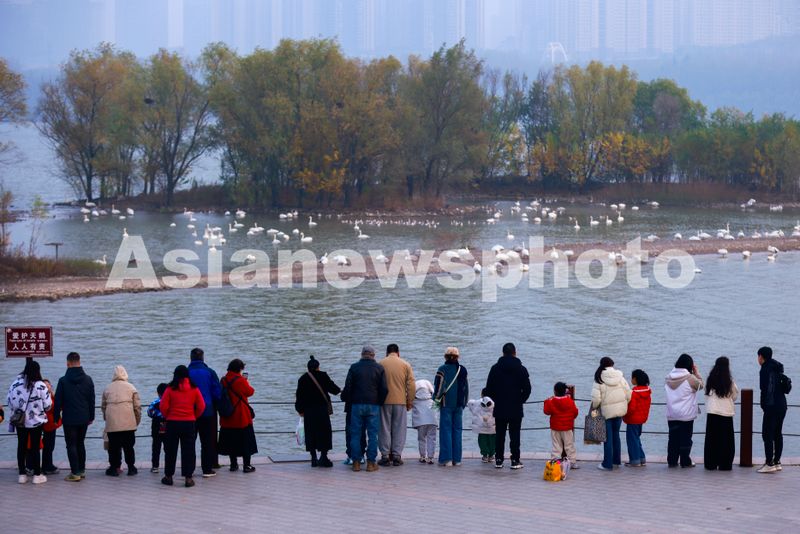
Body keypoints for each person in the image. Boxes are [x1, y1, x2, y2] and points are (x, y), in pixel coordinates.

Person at [341, 345, 388, 472]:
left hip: (356, 405)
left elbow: (348, 387)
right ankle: (371, 463)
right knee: (373, 435)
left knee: (355, 434)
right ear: (373, 355)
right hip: (373, 405)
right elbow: (384, 389)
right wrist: (379, 402)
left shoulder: (354, 367)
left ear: (362, 355)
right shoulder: (379, 368)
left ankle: (356, 463)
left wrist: (345, 398)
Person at [485, 343, 531, 469]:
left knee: (500, 435)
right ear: (515, 352)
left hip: (500, 407)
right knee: (515, 435)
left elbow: (489, 389)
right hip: (516, 407)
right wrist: (521, 400)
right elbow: (527, 389)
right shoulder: (521, 369)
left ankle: (499, 459)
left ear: (503, 353)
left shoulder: (495, 368)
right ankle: (515, 460)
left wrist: (496, 400)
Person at [7, 359, 52, 484]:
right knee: (35, 447)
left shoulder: (15, 383)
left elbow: (9, 402)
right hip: (36, 421)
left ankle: (22, 475)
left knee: (21, 446)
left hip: (20, 421)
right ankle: (37, 475)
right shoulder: (40, 385)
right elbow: (48, 405)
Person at [160, 365, 206, 488]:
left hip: (172, 423)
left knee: (170, 451)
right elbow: (201, 406)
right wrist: (194, 416)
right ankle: (188, 478)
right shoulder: (194, 388)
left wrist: (168, 416)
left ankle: (168, 477)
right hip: (189, 423)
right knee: (188, 451)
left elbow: (163, 406)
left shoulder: (170, 389)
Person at [54, 351, 95, 482]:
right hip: (84, 417)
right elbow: (92, 400)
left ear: (68, 363)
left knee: (71, 445)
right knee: (80, 443)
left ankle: (75, 472)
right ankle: (81, 470)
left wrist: (56, 418)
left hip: (69, 418)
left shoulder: (63, 381)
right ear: (79, 361)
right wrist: (91, 417)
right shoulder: (88, 379)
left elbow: (58, 401)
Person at [295, 355, 340, 468]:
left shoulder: (303, 378)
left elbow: (299, 396)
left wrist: (299, 409)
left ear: (308, 368)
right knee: (324, 433)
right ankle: (324, 457)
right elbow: (334, 389)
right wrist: (341, 391)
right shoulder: (323, 376)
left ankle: (313, 458)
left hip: (308, 411)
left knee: (311, 433)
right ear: (318, 367)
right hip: (322, 410)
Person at [378, 344, 415, 466]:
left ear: (386, 352)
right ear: (398, 353)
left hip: (384, 402)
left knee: (384, 429)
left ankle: (385, 456)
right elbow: (411, 385)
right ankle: (397, 455)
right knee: (399, 429)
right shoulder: (405, 364)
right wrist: (409, 401)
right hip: (400, 401)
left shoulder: (380, 364)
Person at [591, 357, 631, 471]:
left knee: (607, 438)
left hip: (606, 413)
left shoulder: (599, 379)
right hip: (619, 412)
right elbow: (628, 394)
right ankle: (616, 461)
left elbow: (596, 399)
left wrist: (595, 408)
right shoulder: (620, 377)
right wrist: (623, 405)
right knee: (616, 436)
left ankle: (607, 464)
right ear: (612, 364)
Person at [187, 347, 222, 478]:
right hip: (208, 411)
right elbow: (217, 392)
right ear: (202, 358)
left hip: (189, 413)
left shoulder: (186, 373)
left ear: (190, 358)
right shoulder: (210, 372)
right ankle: (207, 469)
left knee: (189, 442)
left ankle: (189, 470)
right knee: (207, 442)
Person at [101, 365, 141, 477]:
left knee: (113, 448)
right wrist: (136, 421)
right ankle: (131, 468)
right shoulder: (131, 387)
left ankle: (114, 468)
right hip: (128, 424)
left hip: (112, 424)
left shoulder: (107, 388)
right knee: (129, 447)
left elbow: (103, 407)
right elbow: (137, 407)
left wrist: (107, 420)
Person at [665, 353, 703, 468]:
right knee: (686, 439)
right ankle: (685, 461)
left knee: (673, 439)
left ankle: (672, 461)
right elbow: (701, 386)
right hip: (686, 415)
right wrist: (697, 373)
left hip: (672, 414)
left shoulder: (668, 377)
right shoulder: (690, 378)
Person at [219, 358, 258, 472]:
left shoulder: (223, 380)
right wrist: (245, 381)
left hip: (227, 417)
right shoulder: (241, 380)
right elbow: (250, 392)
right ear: (239, 369)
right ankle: (247, 465)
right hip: (241, 417)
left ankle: (233, 464)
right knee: (245, 442)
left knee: (231, 442)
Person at [433, 347, 468, 467]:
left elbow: (439, 387)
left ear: (445, 356)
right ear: (458, 357)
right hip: (459, 404)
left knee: (446, 431)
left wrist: (435, 400)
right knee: (457, 431)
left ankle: (446, 459)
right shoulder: (462, 370)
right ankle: (457, 459)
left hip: (446, 403)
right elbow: (466, 388)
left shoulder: (442, 369)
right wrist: (464, 402)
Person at [704, 357, 738, 471]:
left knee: (711, 439)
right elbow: (735, 396)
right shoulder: (729, 382)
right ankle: (725, 464)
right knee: (726, 440)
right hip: (726, 413)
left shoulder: (710, 380)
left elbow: (706, 392)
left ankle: (710, 464)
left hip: (712, 412)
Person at [757, 346, 787, 473]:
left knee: (767, 434)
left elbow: (764, 389)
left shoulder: (765, 369)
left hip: (771, 406)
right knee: (778, 433)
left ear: (761, 356)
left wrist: (764, 406)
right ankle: (777, 461)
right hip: (782, 405)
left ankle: (769, 463)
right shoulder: (777, 367)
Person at [543, 382, 579, 467]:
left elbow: (546, 411)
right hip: (567, 427)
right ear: (565, 391)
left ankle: (555, 461)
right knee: (569, 445)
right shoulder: (570, 401)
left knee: (556, 445)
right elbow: (575, 413)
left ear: (555, 391)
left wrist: (546, 401)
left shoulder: (551, 401)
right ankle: (572, 462)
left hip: (555, 427)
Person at [624, 369, 652, 467]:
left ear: (635, 379)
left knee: (632, 440)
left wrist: (624, 414)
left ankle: (635, 460)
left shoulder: (634, 393)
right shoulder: (647, 391)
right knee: (636, 439)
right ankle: (641, 458)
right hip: (641, 419)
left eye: (632, 378)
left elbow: (631, 408)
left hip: (632, 420)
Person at [412, 379, 437, 464]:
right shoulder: (433, 401)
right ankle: (431, 457)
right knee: (432, 438)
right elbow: (437, 409)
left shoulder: (415, 401)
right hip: (432, 421)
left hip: (421, 423)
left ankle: (422, 456)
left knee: (421, 439)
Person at [468, 388, 496, 463]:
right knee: (493, 441)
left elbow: (470, 403)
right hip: (492, 428)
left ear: (482, 394)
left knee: (482, 442)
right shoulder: (494, 403)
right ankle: (491, 455)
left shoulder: (477, 403)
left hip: (481, 428)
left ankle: (485, 455)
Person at [40, 379, 61, 475]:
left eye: (49, 385)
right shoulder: (46, 397)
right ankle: (47, 466)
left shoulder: (52, 396)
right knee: (48, 445)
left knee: (50, 445)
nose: (48, 386)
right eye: (45, 385)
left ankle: (47, 464)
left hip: (51, 423)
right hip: (48, 423)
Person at [147, 383, 168, 473]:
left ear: (158, 393)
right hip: (167, 425)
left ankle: (155, 466)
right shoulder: (170, 402)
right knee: (168, 447)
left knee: (156, 446)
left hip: (156, 425)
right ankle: (169, 465)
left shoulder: (155, 403)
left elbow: (149, 413)